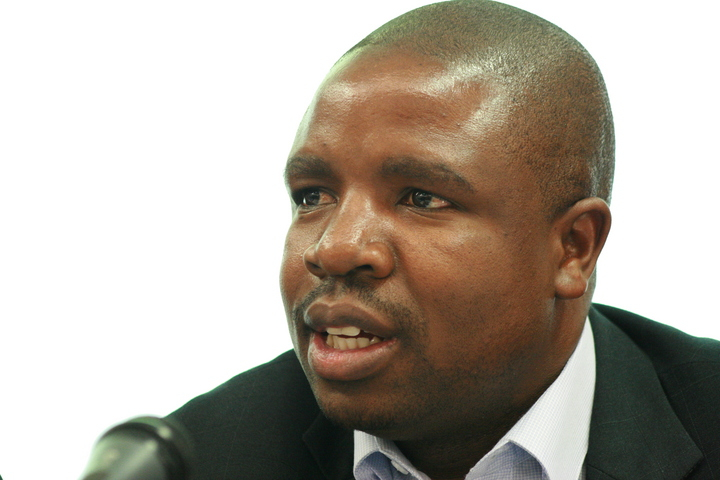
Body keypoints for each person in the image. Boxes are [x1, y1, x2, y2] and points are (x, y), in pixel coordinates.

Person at [170, 1, 720, 478]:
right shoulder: (200, 459)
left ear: (573, 248)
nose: (333, 249)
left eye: (421, 198)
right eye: (313, 195)